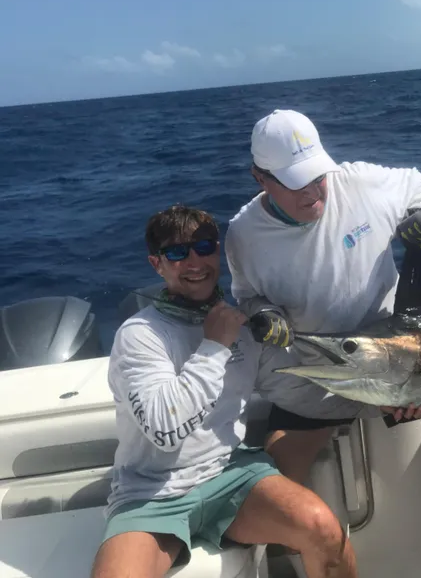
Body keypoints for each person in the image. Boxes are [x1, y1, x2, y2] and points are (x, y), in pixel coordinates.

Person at [224, 109, 421, 578]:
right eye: (295, 182)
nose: (314, 191)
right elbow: (246, 294)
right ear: (260, 177)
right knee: (277, 481)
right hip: (320, 370)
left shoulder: (356, 182)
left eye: (317, 176)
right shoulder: (242, 235)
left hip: (397, 359)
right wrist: (263, 312)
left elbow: (416, 184)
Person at [90, 204, 357, 578]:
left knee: (324, 532)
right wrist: (214, 348)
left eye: (204, 247)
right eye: (178, 253)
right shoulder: (140, 336)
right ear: (157, 264)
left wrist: (386, 395)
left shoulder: (244, 325)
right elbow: (165, 432)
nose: (195, 261)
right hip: (151, 492)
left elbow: (295, 389)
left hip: (230, 473)